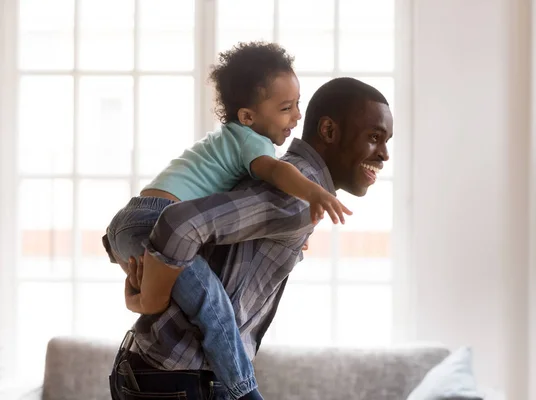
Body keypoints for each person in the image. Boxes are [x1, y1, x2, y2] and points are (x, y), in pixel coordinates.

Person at [110, 76, 392, 400]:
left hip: (169, 371)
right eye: (374, 137)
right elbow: (177, 225)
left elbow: (203, 250)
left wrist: (146, 297)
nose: (384, 154)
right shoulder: (294, 195)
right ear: (329, 131)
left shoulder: (287, 183)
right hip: (180, 377)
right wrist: (150, 300)